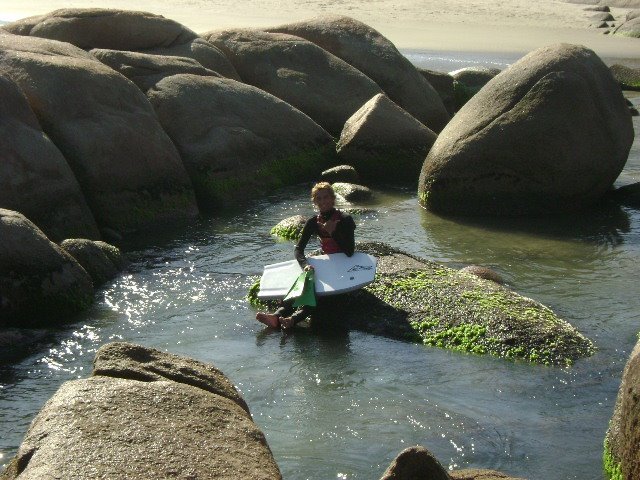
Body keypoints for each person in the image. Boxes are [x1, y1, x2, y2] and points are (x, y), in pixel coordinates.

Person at [256, 182, 356, 330]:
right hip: (326, 263)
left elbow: (350, 251)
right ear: (315, 202)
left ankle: (292, 319)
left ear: (333, 198)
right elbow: (298, 250)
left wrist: (333, 232)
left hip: (342, 266)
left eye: (326, 197)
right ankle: (277, 317)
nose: (323, 202)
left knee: (319, 295)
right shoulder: (313, 222)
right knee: (303, 285)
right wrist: (305, 265)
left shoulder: (345, 219)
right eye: (319, 198)